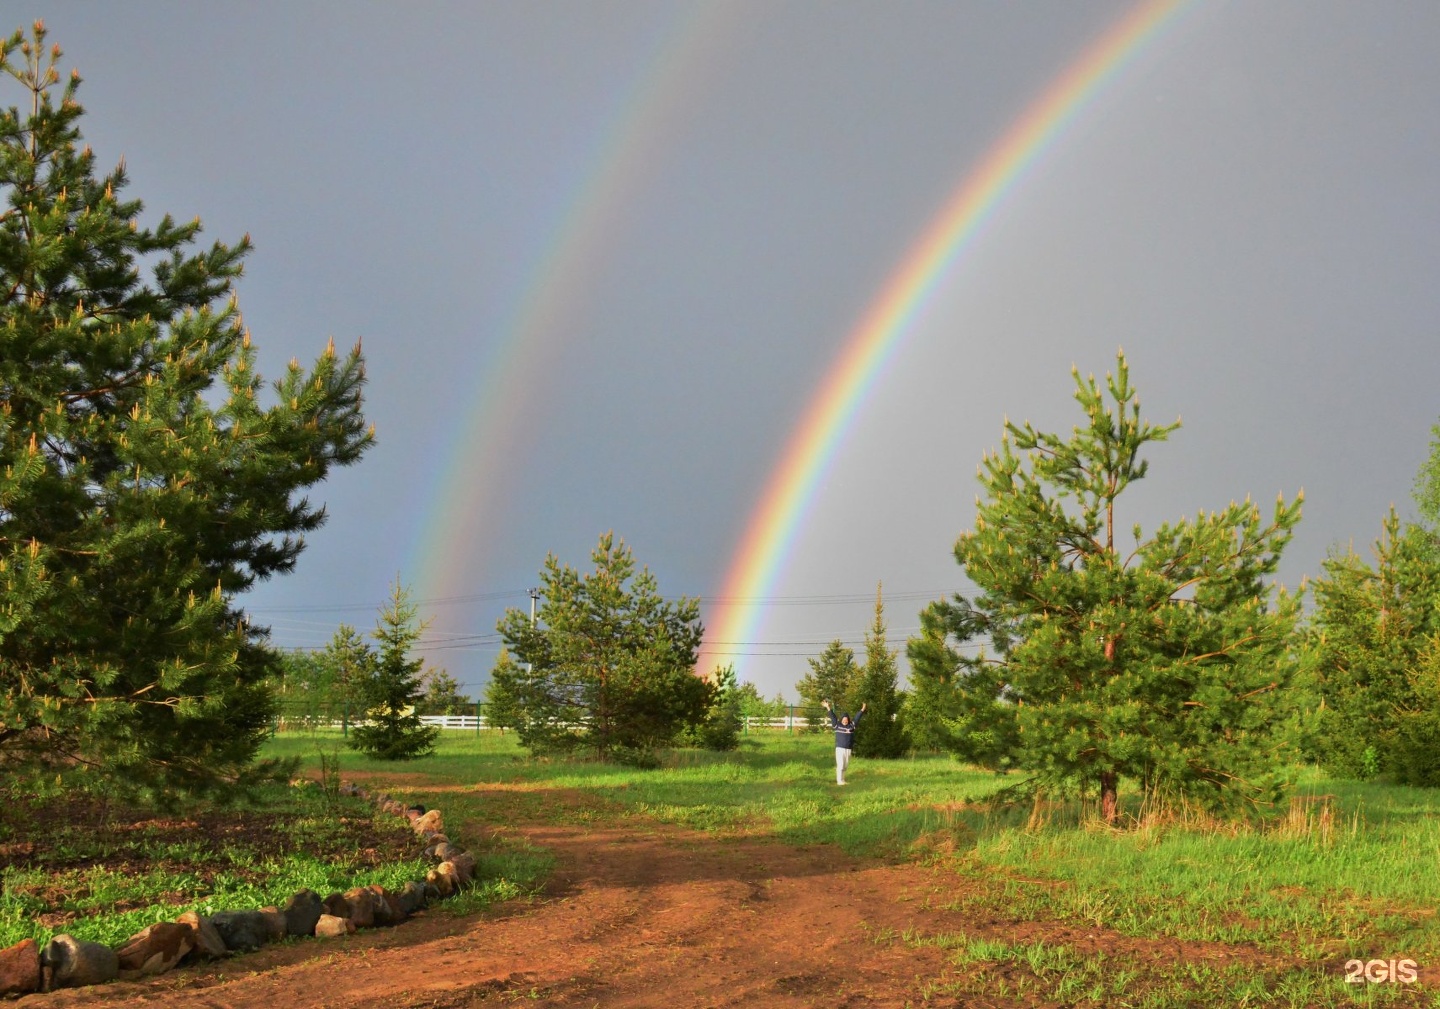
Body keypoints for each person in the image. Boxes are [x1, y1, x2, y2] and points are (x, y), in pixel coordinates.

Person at [823, 699, 866, 785]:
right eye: (844, 719)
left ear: (848, 720)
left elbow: (857, 718)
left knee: (845, 766)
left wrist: (862, 710)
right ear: (841, 719)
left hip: (848, 749)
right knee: (841, 765)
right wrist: (828, 707)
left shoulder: (851, 726)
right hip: (840, 748)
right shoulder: (837, 725)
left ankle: (843, 780)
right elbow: (832, 716)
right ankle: (839, 781)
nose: (845, 721)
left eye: (846, 719)